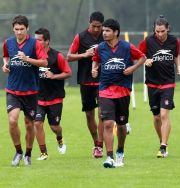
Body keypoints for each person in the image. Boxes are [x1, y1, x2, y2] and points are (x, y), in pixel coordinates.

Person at [92, 18, 146, 168]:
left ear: (116, 32)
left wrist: (132, 69)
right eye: (103, 30)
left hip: (122, 91)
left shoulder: (127, 47)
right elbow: (95, 60)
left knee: (121, 125)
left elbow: (143, 57)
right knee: (108, 123)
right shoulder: (100, 48)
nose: (104, 33)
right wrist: (94, 69)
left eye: (107, 31)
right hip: (105, 90)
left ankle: (120, 152)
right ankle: (109, 157)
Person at [2, 15, 48, 166]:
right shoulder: (8, 42)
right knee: (12, 120)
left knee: (29, 124)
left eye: (22, 29)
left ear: (27, 29)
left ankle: (28, 154)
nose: (19, 32)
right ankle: (18, 152)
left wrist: (27, 59)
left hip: (30, 91)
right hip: (13, 90)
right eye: (16, 29)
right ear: (13, 29)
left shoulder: (35, 44)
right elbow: (6, 56)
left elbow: (44, 62)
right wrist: (5, 65)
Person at [139, 15, 180, 158]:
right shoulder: (148, 41)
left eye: (162, 31)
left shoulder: (174, 41)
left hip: (168, 82)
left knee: (164, 114)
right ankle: (162, 140)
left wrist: (179, 67)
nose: (159, 34)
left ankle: (163, 146)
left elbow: (176, 55)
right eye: (157, 31)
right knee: (157, 117)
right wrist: (146, 60)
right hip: (152, 82)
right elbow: (139, 54)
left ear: (167, 29)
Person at [67, 11, 104, 158]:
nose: (96, 29)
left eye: (98, 27)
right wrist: (84, 54)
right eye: (93, 26)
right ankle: (96, 142)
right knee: (90, 115)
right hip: (85, 80)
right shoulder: (80, 37)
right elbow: (69, 56)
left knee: (102, 113)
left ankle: (100, 145)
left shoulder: (107, 35)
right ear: (89, 23)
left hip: (103, 80)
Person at [34, 28, 72, 160]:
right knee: (37, 123)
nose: (36, 42)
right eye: (35, 39)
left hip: (55, 97)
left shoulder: (57, 56)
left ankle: (60, 139)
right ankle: (43, 153)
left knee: (54, 127)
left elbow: (68, 73)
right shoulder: (33, 56)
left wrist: (53, 75)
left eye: (39, 40)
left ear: (47, 41)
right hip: (38, 97)